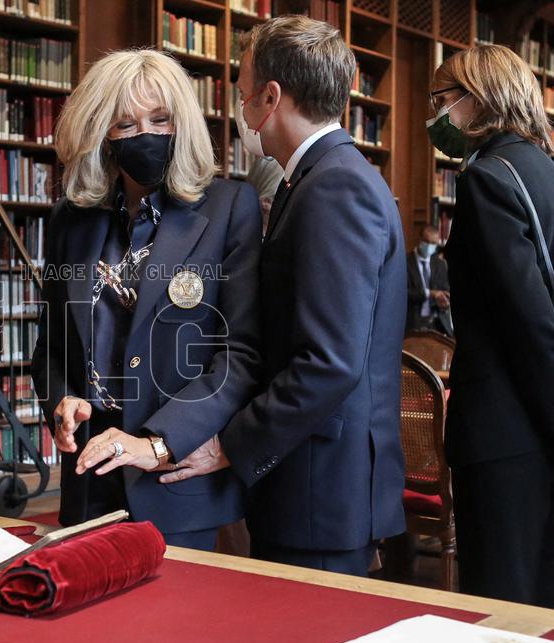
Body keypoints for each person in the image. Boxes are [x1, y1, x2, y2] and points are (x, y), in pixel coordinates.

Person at [161, 15, 407, 575]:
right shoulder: (319, 176)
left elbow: (329, 361)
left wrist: (231, 443)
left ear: (270, 97)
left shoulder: (334, 185)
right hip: (314, 479)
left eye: (243, 91)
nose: (241, 106)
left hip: (319, 487)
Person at [31, 48, 262, 550]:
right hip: (89, 476)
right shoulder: (71, 219)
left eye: (160, 120)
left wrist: (158, 442)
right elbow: (50, 345)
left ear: (183, 123)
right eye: (125, 124)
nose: (147, 135)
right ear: (102, 133)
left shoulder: (229, 208)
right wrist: (60, 401)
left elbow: (240, 354)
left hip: (175, 478)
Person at [429, 45, 554, 606]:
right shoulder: (544, 170)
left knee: (501, 607)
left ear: (479, 99)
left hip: (506, 430)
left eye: (441, 99)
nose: (436, 115)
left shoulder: (487, 179)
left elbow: (527, 321)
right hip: (535, 424)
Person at [406, 224, 453, 335]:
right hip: (413, 322)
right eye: (426, 242)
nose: (429, 246)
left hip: (437, 323)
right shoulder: (405, 262)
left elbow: (445, 289)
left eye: (433, 243)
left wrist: (445, 302)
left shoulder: (440, 264)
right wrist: (429, 294)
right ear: (420, 239)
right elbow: (403, 293)